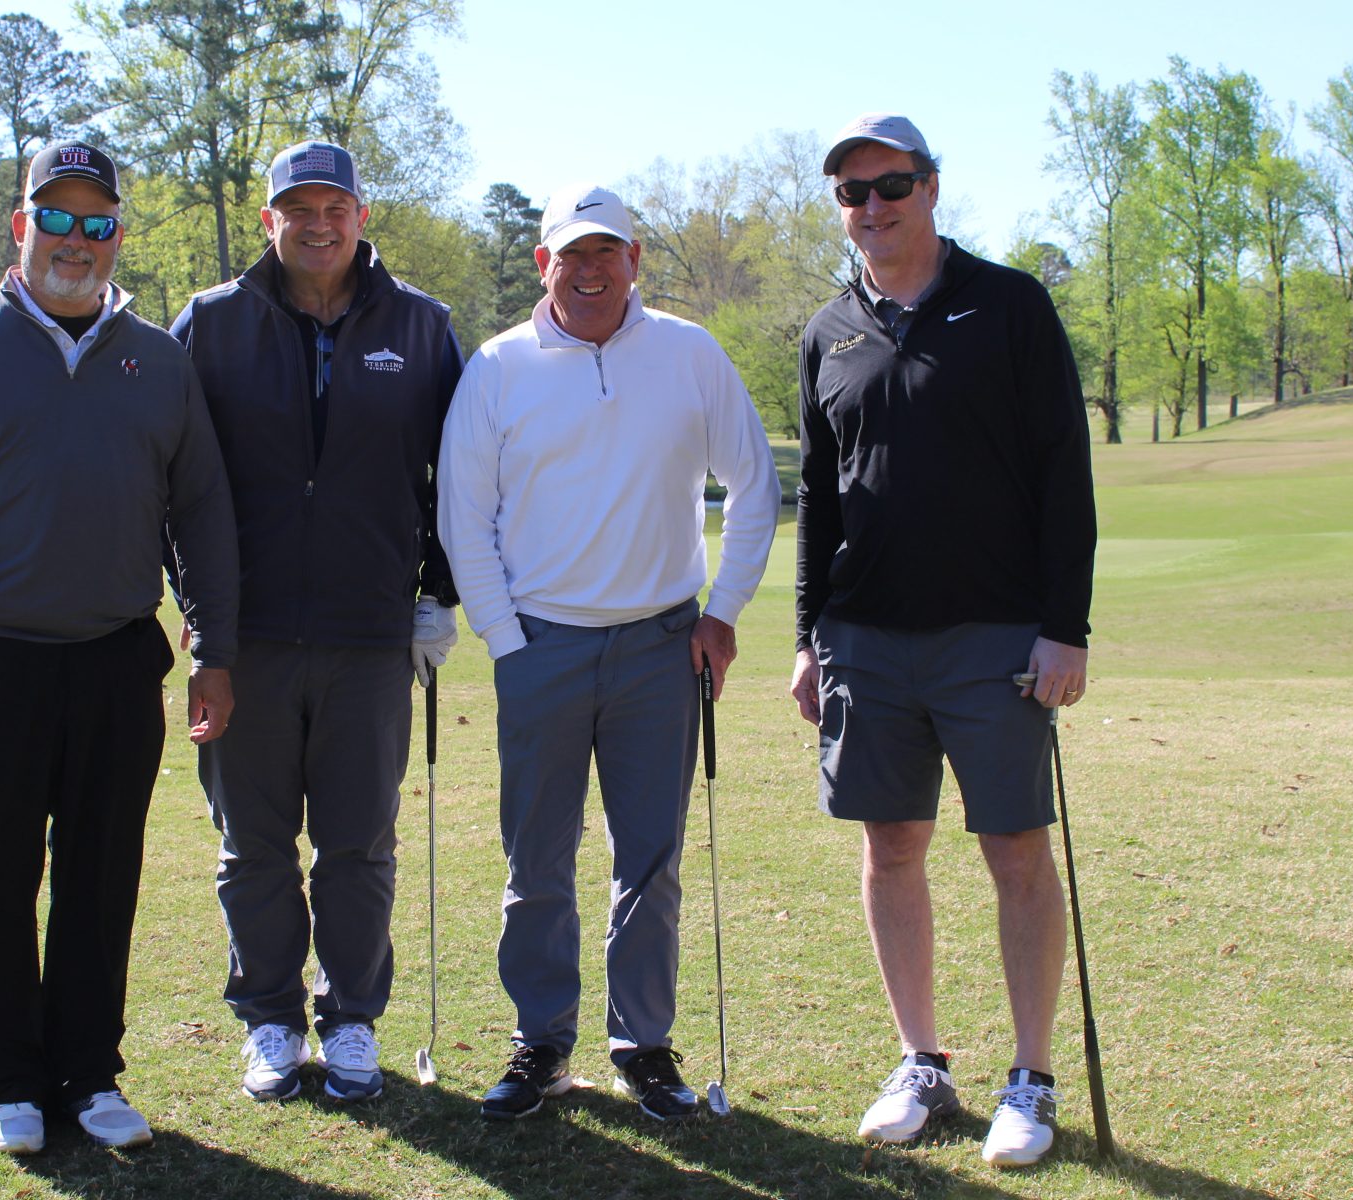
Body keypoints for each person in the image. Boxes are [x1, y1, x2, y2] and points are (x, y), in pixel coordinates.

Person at [0, 141, 238, 1155]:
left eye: (97, 221)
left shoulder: (157, 359)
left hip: (117, 658)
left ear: (118, 233)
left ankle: (86, 1073)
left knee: (101, 877)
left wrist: (211, 643)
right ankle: (9, 1081)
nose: (78, 240)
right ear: (21, 226)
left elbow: (198, 510)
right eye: (57, 219)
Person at [790, 113, 1096, 1168]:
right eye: (850, 193)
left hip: (997, 636)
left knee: (1012, 848)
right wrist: (805, 637)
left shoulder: (1008, 304)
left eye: (890, 186)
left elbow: (1063, 473)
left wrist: (1064, 630)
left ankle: (1030, 1077)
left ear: (929, 187)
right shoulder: (826, 329)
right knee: (890, 848)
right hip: (864, 639)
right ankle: (920, 1060)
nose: (870, 208)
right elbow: (819, 498)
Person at [438, 183, 779, 1123]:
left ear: (635, 262)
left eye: (606, 254)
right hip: (540, 643)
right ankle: (541, 1044)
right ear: (544, 265)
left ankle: (644, 1046)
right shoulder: (500, 367)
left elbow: (754, 483)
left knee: (651, 860)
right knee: (536, 860)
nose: (587, 272)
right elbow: (463, 515)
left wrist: (724, 611)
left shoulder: (690, 354)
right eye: (569, 257)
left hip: (662, 646)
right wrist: (505, 639)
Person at [167, 140, 464, 1104]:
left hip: (371, 638)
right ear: (270, 221)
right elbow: (168, 480)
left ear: (361, 216)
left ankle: (348, 1021)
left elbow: (461, 480)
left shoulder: (422, 328)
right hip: (242, 642)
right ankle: (268, 1020)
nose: (319, 223)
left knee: (357, 847)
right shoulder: (211, 325)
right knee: (252, 846)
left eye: (336, 206)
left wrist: (437, 594)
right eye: (299, 208)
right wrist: (196, 612)